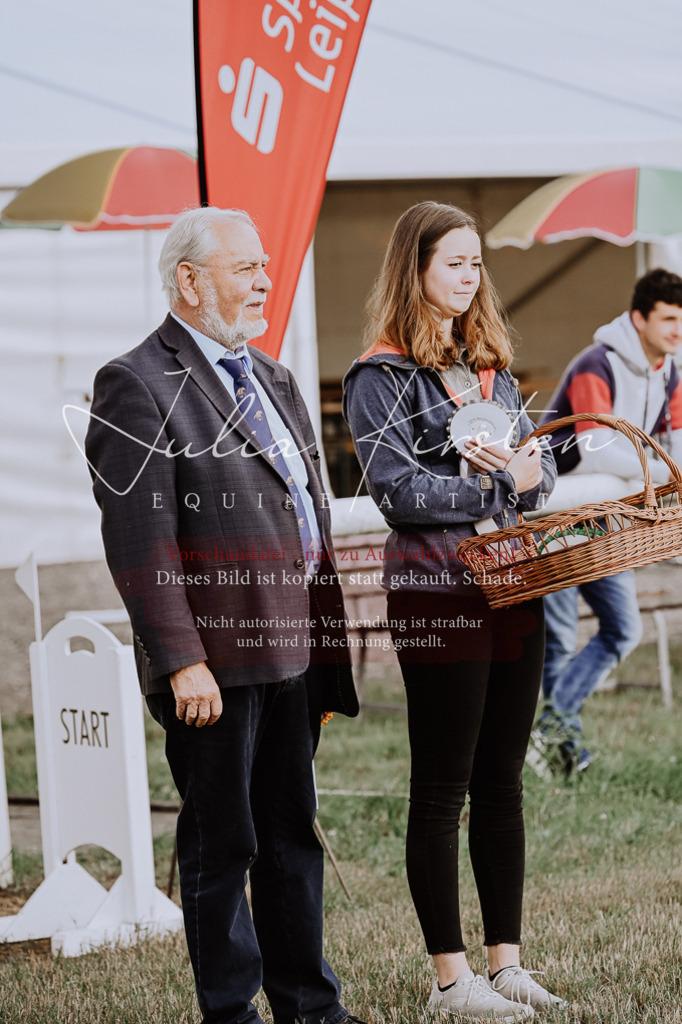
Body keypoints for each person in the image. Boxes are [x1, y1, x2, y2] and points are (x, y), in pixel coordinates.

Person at [84, 206, 363, 1024]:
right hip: (214, 662)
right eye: (246, 268)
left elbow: (304, 510)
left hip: (293, 648)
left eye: (264, 266)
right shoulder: (135, 382)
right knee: (223, 844)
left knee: (291, 837)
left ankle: (310, 1008)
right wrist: (181, 659)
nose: (266, 281)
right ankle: (232, 1014)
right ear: (190, 280)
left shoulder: (273, 376)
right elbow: (141, 541)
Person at [343, 201, 562, 1021]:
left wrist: (529, 473)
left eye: (476, 263)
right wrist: (501, 482)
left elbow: (541, 474)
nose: (470, 277)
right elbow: (399, 493)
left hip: (513, 587)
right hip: (438, 593)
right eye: (454, 263)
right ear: (416, 269)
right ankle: (450, 980)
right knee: (442, 787)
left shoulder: (489, 364)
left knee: (501, 781)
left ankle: (507, 965)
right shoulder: (379, 377)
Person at [537, 267, 682, 775]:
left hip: (605, 517)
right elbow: (595, 450)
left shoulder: (671, 372)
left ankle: (551, 725)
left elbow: (677, 444)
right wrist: (664, 471)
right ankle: (565, 756)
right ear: (639, 318)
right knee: (559, 640)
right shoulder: (594, 364)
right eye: (668, 319)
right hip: (554, 515)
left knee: (623, 629)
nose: (678, 331)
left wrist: (667, 469)